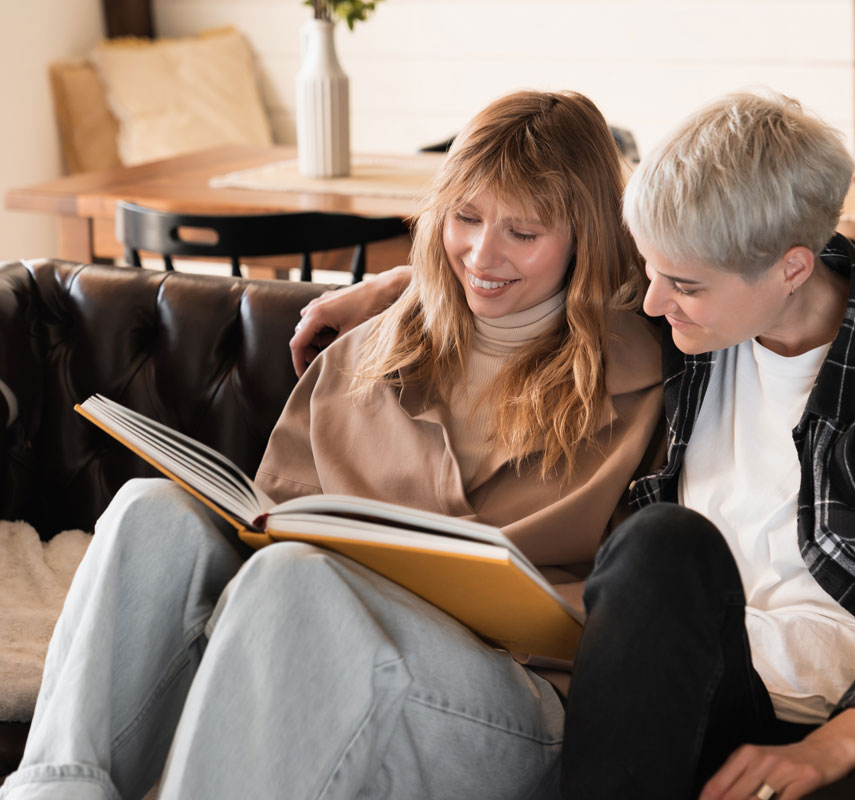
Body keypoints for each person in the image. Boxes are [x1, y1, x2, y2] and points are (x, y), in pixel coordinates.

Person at [288, 90, 855, 800]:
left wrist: (826, 751)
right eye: (650, 271)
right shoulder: (687, 308)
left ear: (793, 267)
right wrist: (388, 289)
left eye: (681, 284)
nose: (650, 300)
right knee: (661, 544)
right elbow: (544, 253)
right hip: (710, 687)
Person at [0, 90, 663, 800]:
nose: (481, 254)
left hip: (507, 702)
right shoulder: (368, 352)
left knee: (298, 582)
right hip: (320, 664)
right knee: (148, 509)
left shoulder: (645, 377)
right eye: (464, 218)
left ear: (585, 237)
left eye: (523, 234)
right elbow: (272, 527)